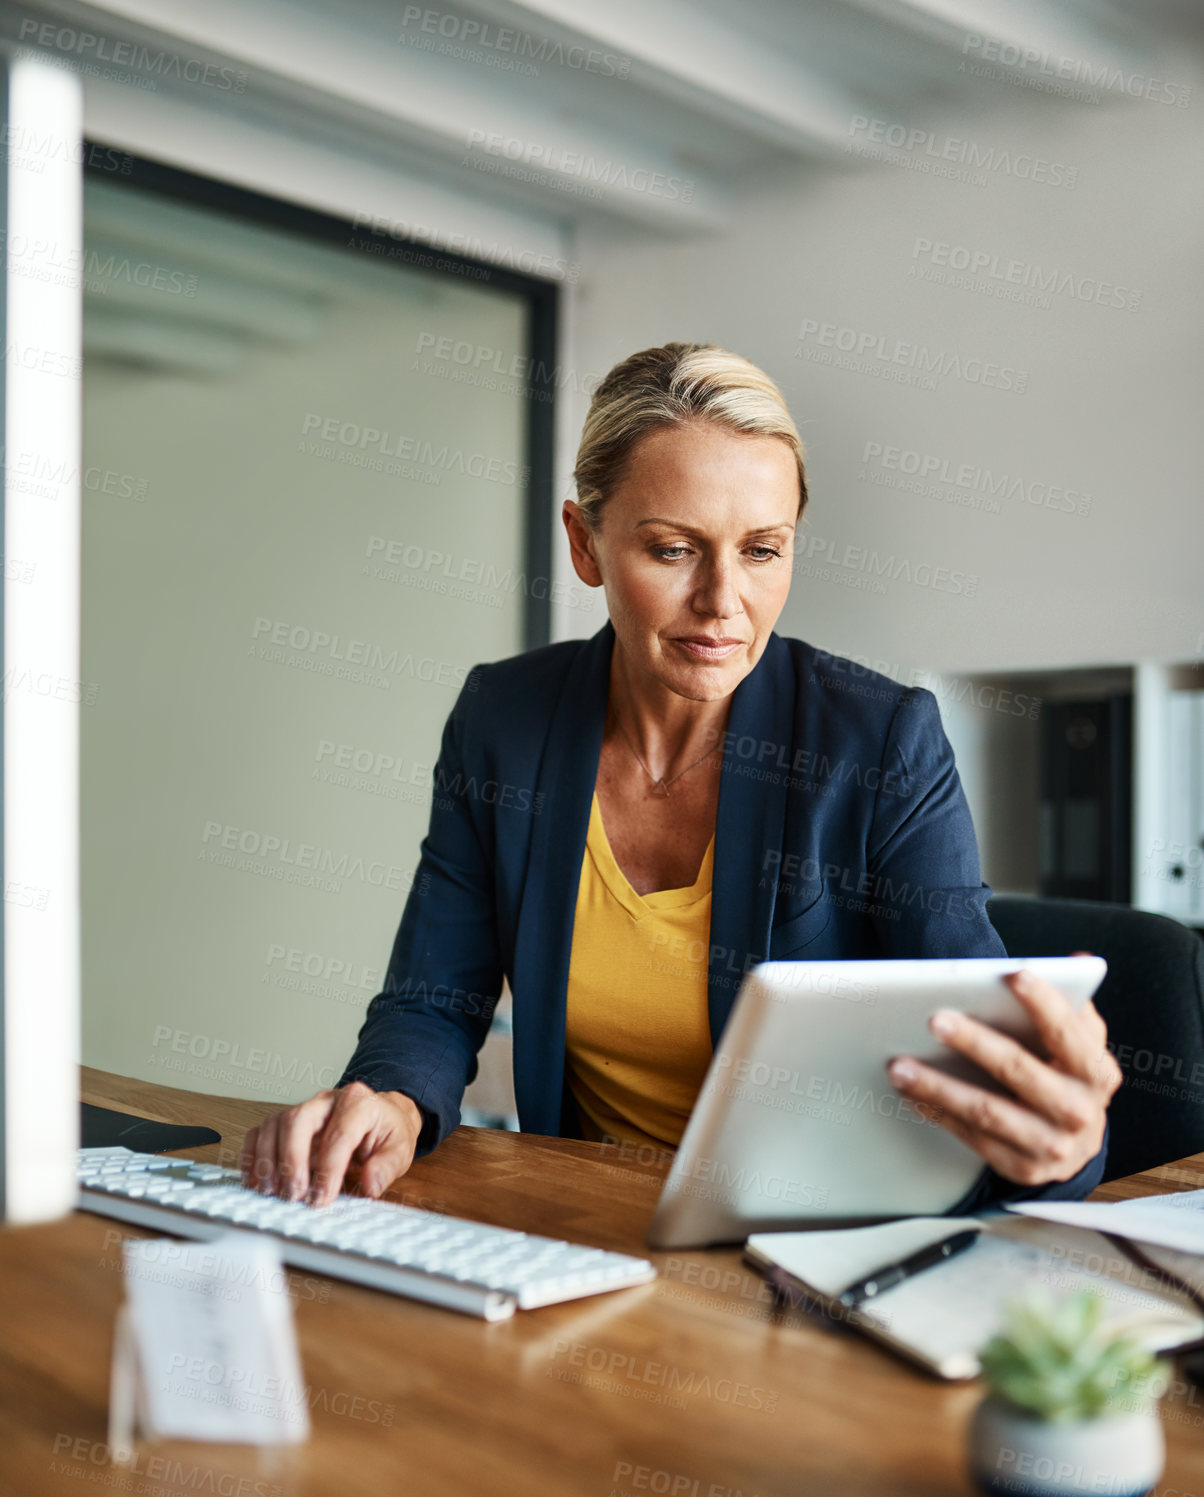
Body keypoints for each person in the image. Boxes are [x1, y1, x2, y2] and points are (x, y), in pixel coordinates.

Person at [241, 342, 1121, 1210]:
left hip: (814, 1246)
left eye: (763, 550)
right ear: (586, 545)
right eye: (673, 550)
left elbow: (986, 1054)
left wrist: (1061, 1147)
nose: (723, 602)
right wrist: (390, 1097)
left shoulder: (878, 740)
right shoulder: (503, 720)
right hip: (592, 1234)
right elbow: (433, 996)